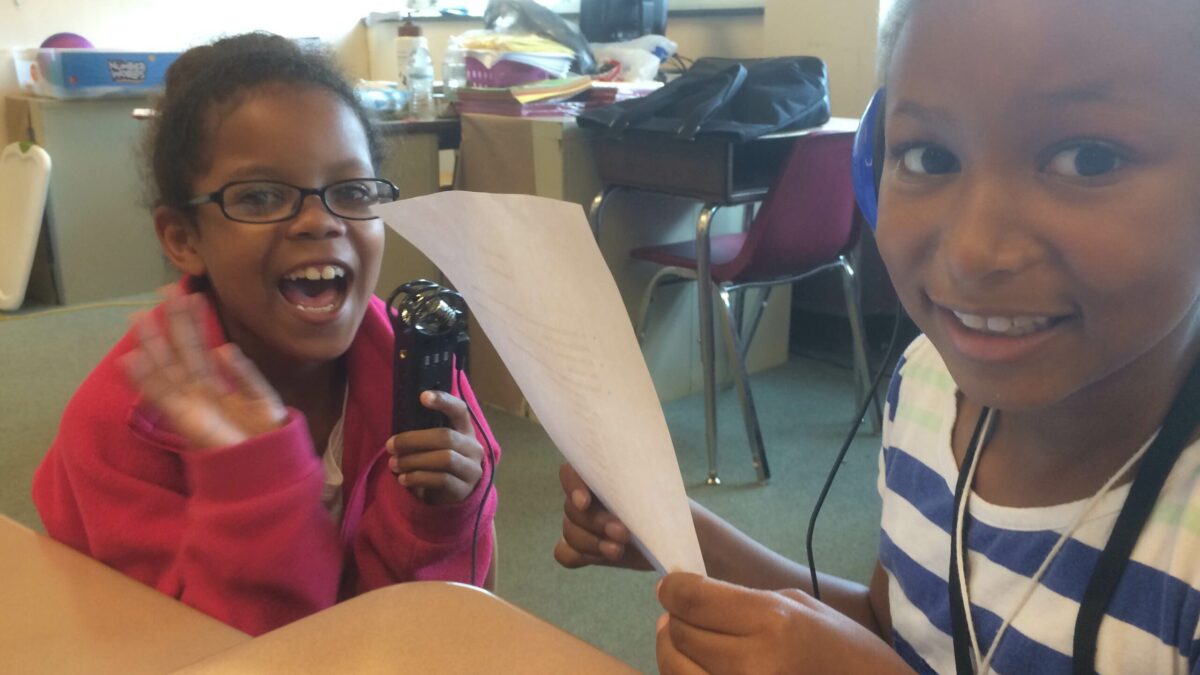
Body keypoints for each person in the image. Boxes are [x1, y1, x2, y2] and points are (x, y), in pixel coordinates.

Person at [555, 0, 1200, 672]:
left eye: (1087, 158)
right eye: (928, 154)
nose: (974, 252)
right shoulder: (928, 385)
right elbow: (895, 627)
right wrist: (685, 532)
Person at [31, 32, 501, 637]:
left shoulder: (418, 373)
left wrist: (441, 516)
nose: (320, 221)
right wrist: (256, 485)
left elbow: (443, 624)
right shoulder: (120, 425)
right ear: (183, 238)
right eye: (258, 196)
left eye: (352, 191)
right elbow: (195, 650)